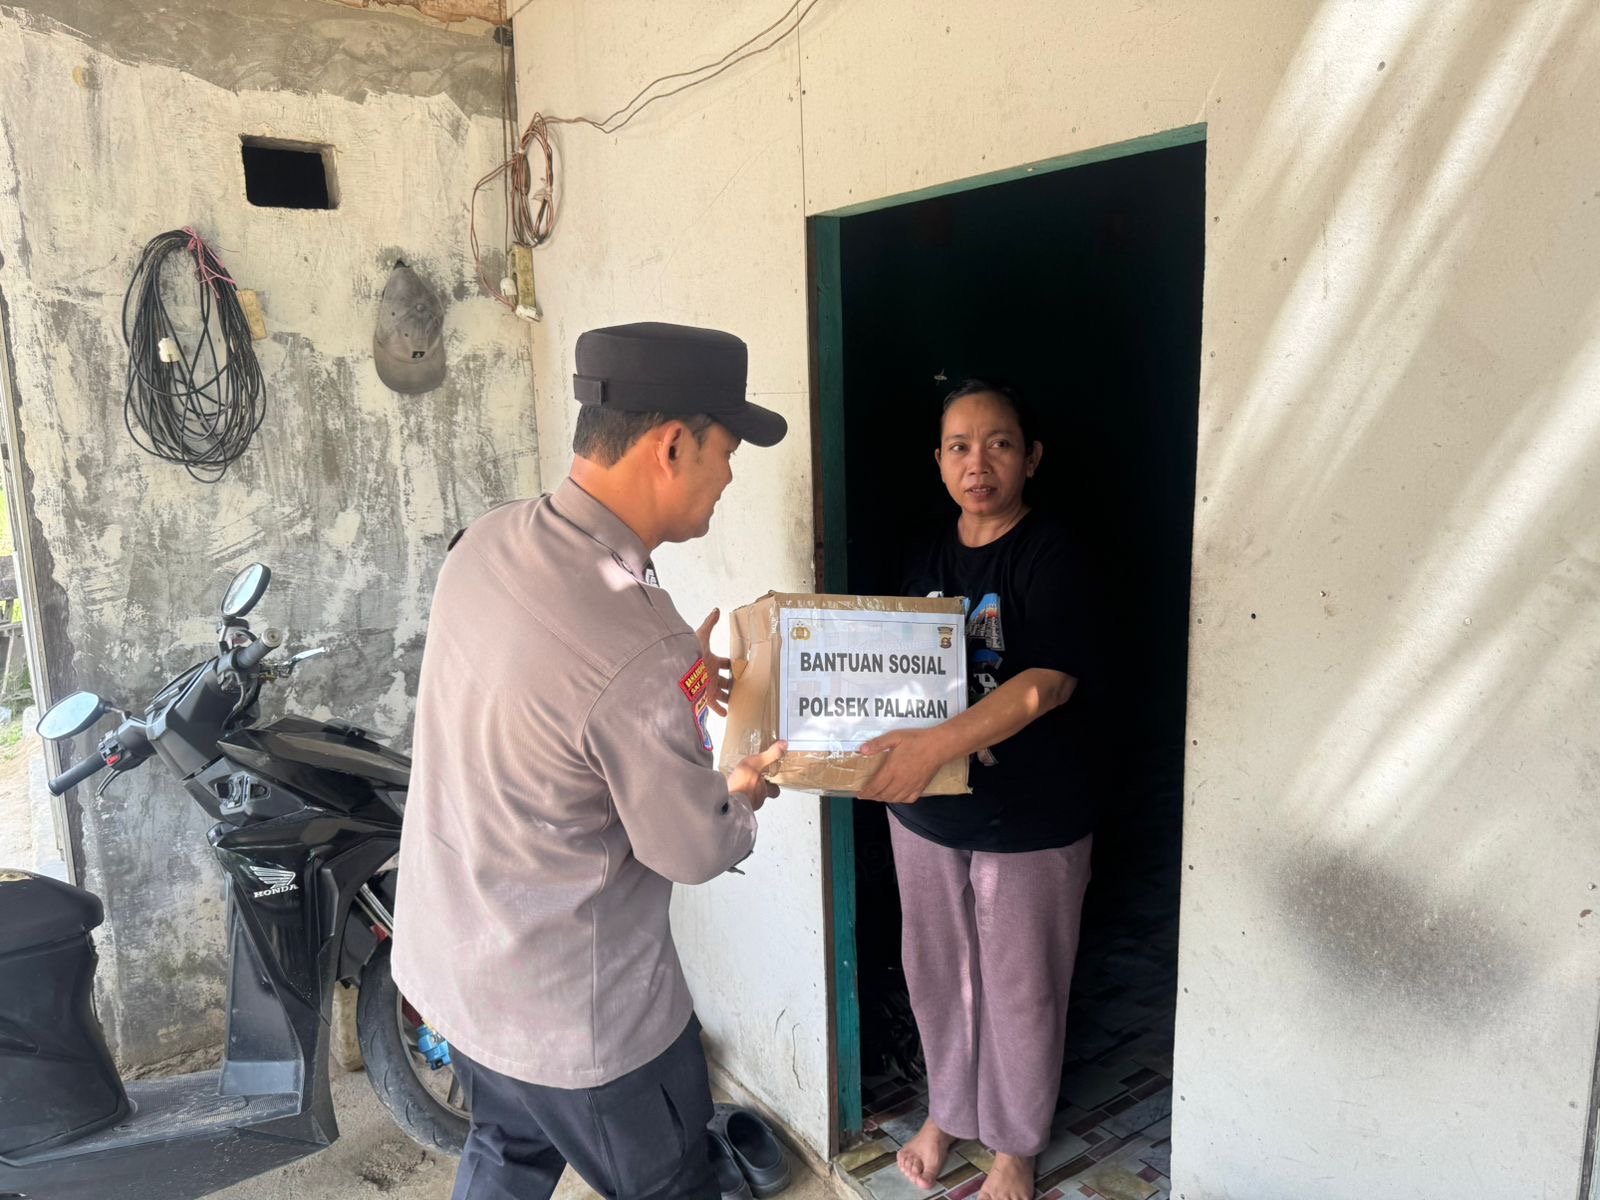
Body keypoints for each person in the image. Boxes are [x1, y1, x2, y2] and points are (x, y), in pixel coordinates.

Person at [391, 322, 790, 1200]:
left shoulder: (488, 542)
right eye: (726, 453)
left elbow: (555, 697)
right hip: (582, 1020)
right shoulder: (636, 645)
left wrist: (673, 677)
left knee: (507, 1148)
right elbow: (690, 846)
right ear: (672, 445)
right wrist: (743, 791)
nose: (729, 478)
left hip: (459, 967)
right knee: (671, 1184)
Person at [858, 380, 1099, 1200]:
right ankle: (950, 1111)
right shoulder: (921, 553)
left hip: (1031, 817)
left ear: (1031, 458)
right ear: (938, 461)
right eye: (959, 446)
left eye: (999, 443)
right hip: (925, 811)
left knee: (1022, 987)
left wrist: (932, 745)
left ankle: (1015, 1145)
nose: (978, 463)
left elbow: (1048, 684)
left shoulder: (1054, 554)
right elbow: (880, 660)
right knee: (936, 970)